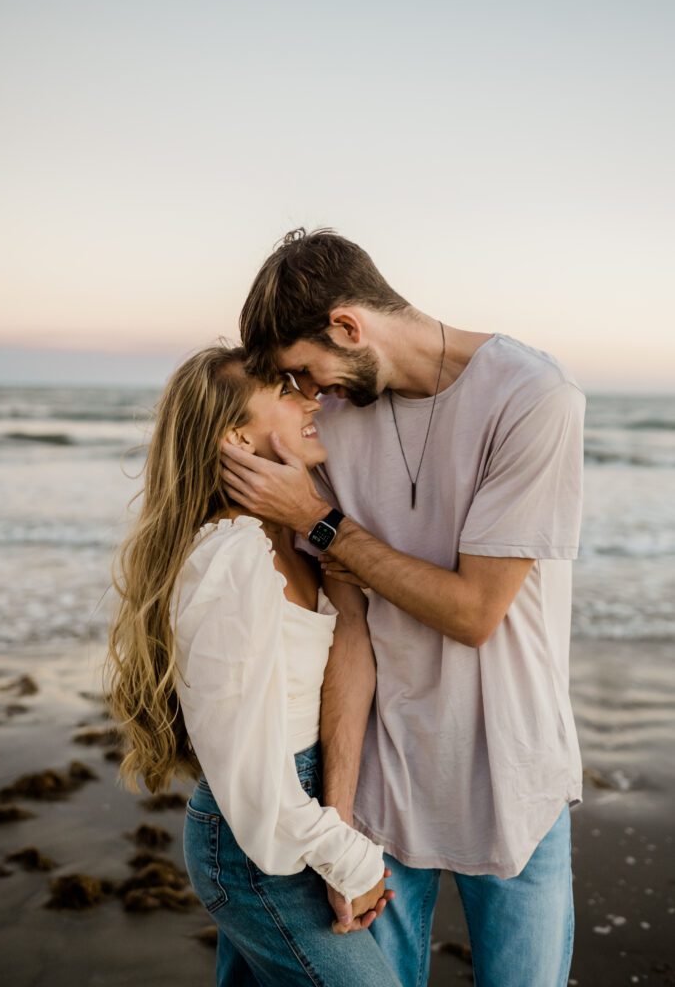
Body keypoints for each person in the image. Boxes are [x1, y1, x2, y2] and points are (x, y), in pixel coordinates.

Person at [222, 228, 586, 987]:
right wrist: (338, 820)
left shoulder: (531, 398)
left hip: (514, 772)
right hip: (382, 781)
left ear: (348, 326)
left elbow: (473, 613)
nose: (312, 394)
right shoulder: (336, 420)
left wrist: (319, 524)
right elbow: (348, 629)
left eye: (308, 369)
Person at [106, 343, 401, 987]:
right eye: (286, 392)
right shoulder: (232, 558)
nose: (311, 400)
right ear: (237, 435)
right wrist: (353, 862)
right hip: (256, 841)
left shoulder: (282, 534)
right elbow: (257, 781)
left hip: (284, 816)